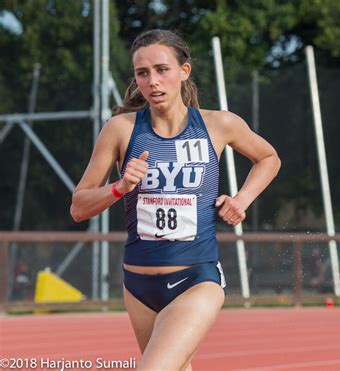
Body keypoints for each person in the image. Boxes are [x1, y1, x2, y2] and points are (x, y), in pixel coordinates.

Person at [70, 29, 280, 370]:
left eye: (162, 69)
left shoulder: (218, 124)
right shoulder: (121, 129)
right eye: (142, 73)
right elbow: (79, 206)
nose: (152, 81)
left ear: (184, 71)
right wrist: (119, 187)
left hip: (196, 279)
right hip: (138, 285)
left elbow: (268, 158)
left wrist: (242, 199)